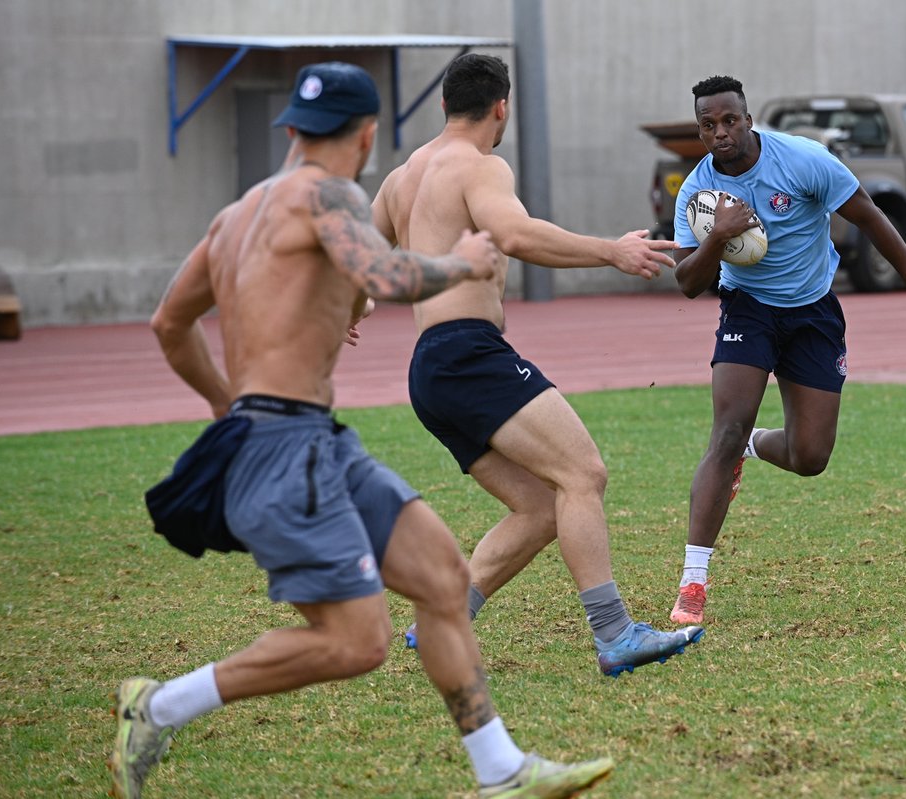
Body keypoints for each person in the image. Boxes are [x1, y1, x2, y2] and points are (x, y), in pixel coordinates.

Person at [109, 62, 613, 799]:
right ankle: (158, 705)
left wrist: (226, 403)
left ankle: (500, 769)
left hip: (313, 440)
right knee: (357, 642)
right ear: (369, 134)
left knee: (442, 578)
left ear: (290, 129)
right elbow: (387, 277)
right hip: (283, 450)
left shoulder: (233, 217)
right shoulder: (329, 191)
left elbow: (170, 322)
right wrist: (461, 260)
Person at [369, 53, 703, 678]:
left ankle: (444, 619)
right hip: (469, 354)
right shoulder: (481, 165)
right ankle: (615, 635)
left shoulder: (403, 176)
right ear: (502, 107)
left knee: (542, 505)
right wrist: (612, 251)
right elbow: (516, 236)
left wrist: (351, 306)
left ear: (443, 104)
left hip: (430, 371)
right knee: (584, 474)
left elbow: (363, 258)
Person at [667, 76, 906, 625]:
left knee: (811, 458)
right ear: (700, 130)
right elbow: (687, 282)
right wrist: (717, 234)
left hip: (813, 312)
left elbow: (870, 216)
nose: (720, 132)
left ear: (748, 119)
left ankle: (753, 448)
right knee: (723, 432)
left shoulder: (803, 160)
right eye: (709, 124)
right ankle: (693, 583)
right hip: (747, 310)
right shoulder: (698, 193)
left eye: (730, 120)